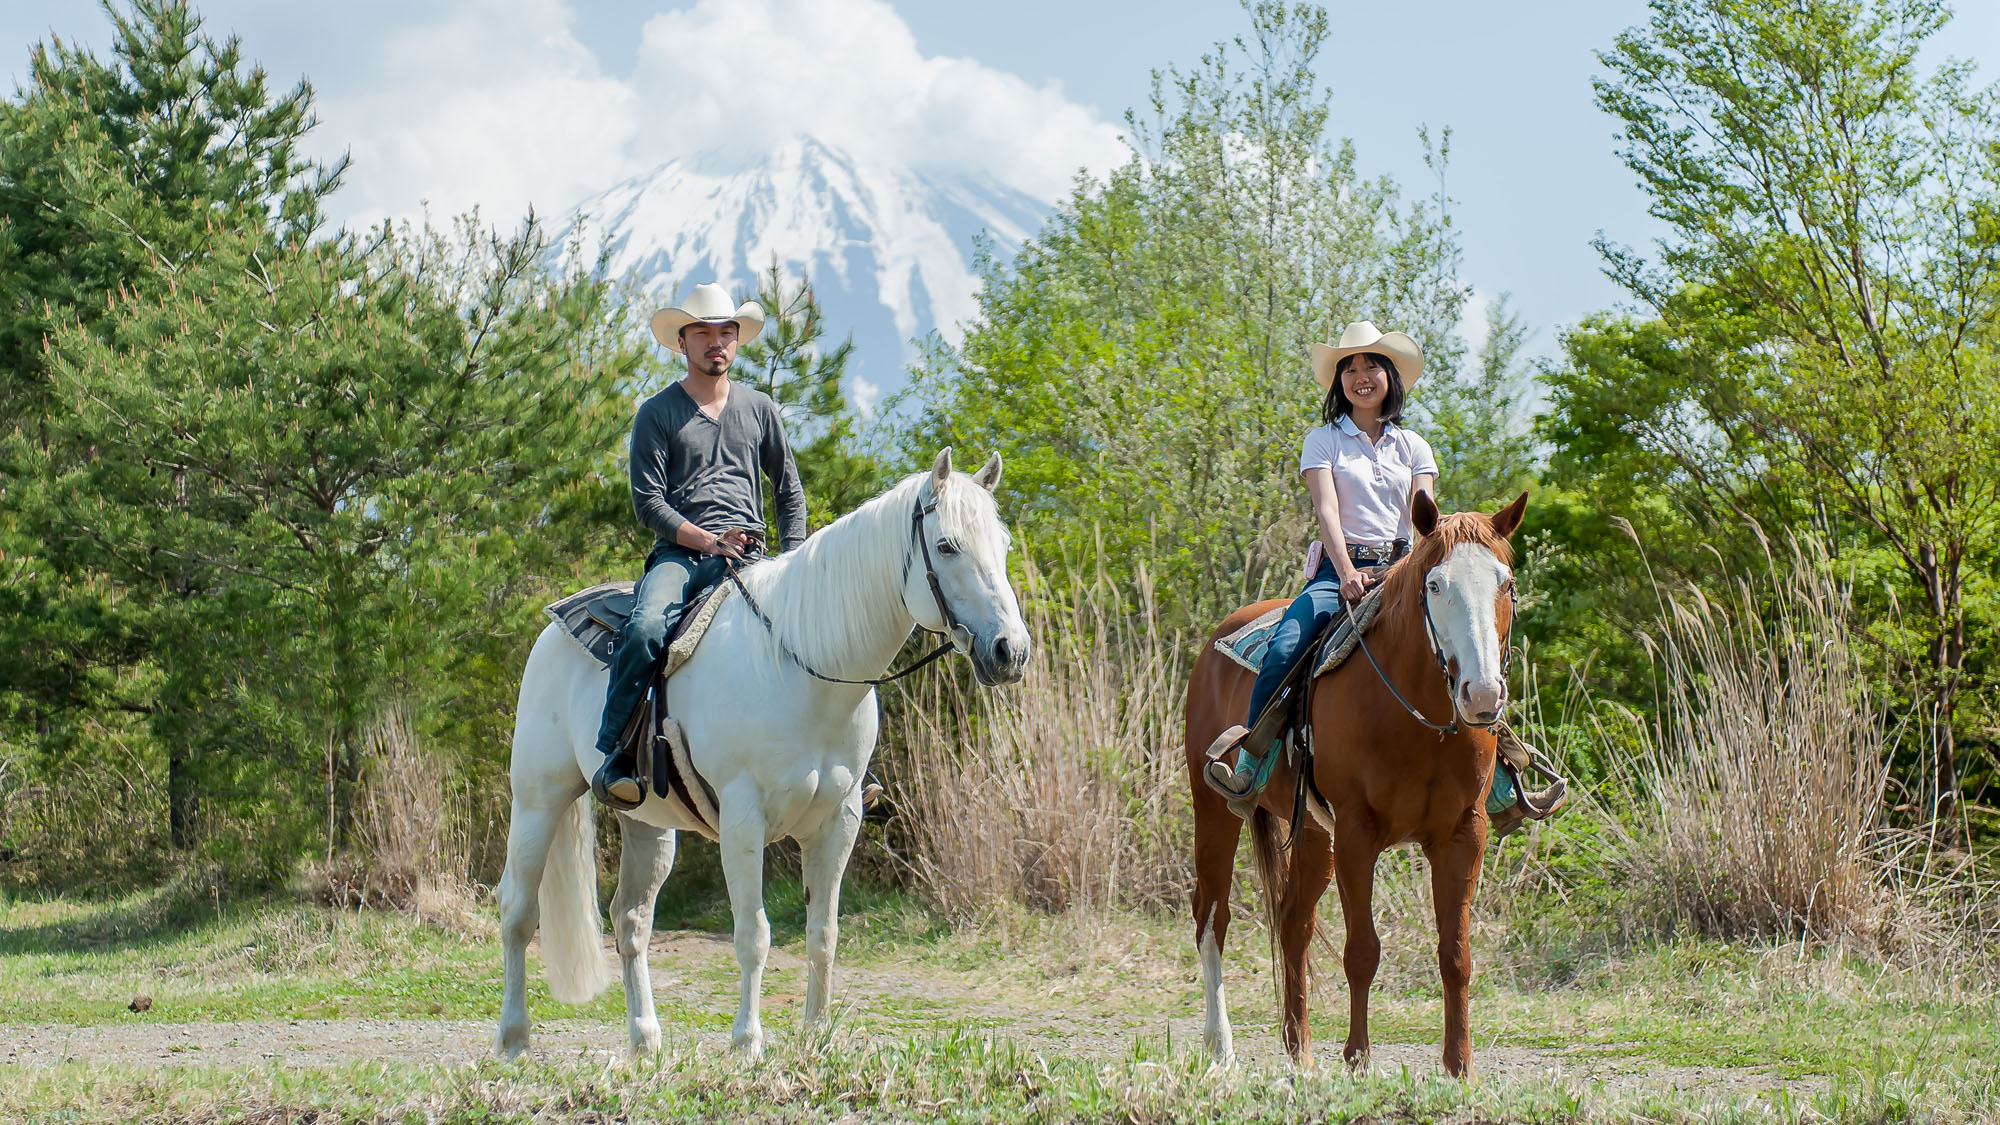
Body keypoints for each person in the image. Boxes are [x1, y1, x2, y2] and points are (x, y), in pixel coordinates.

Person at [593, 283, 808, 810]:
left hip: (752, 556)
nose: (718, 342)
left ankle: (849, 767)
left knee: (822, 627)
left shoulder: (760, 409)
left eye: (726, 333)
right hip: (683, 557)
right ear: (682, 343)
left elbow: (788, 492)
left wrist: (796, 562)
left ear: (737, 341)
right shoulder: (657, 413)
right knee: (645, 628)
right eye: (705, 333)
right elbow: (649, 504)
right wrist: (710, 542)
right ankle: (616, 753)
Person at [1204, 321, 1436, 809]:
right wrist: (1346, 571)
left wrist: (1416, 570)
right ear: (1340, 383)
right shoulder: (1324, 440)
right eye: (1349, 368)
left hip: (1401, 569)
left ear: (1390, 375)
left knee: (1465, 641)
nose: (1361, 376)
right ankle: (1252, 762)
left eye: (1371, 364)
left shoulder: (1413, 446)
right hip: (1341, 571)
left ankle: (1503, 776)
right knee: (1287, 644)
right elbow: (1327, 510)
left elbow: (1423, 516)